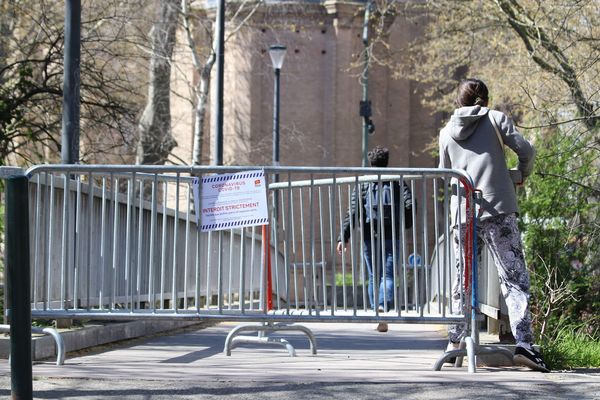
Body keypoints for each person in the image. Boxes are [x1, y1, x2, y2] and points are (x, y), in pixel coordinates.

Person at [438, 78, 549, 372]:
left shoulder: (446, 132)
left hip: (463, 211)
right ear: (485, 100)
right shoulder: (496, 119)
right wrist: (520, 174)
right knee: (513, 278)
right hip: (498, 207)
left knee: (462, 278)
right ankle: (524, 345)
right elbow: (526, 151)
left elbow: (443, 175)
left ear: (457, 102)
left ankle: (454, 344)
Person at [336, 145, 413, 333]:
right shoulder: (397, 181)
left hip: (369, 236)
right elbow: (409, 203)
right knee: (387, 275)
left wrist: (343, 237)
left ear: (370, 162)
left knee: (373, 276)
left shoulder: (363, 183)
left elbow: (353, 211)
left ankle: (376, 312)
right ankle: (383, 308)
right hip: (391, 235)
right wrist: (405, 224)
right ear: (387, 162)